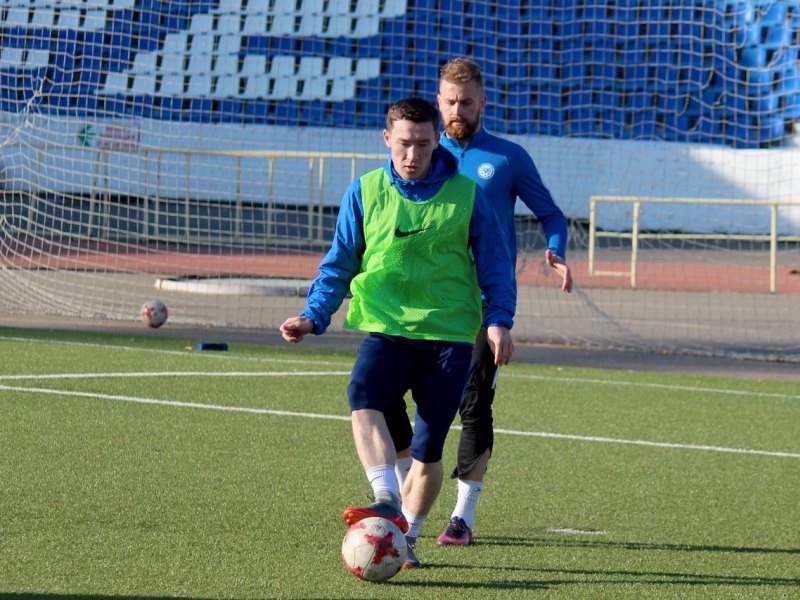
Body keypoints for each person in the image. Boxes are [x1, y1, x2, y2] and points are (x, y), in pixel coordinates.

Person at [279, 97, 516, 570]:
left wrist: (498, 320)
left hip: (449, 337)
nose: (413, 154)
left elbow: (495, 264)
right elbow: (339, 263)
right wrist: (313, 316)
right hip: (386, 330)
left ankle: (406, 537)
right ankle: (386, 498)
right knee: (362, 394)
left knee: (427, 452)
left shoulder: (468, 195)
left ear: (437, 141)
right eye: (404, 143)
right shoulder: (364, 191)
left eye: (423, 144)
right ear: (387, 139)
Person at [384, 58, 573, 548]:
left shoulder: (507, 158)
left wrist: (556, 249)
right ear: (438, 100)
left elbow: (551, 214)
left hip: (484, 301)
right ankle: (407, 487)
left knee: (473, 403)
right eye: (449, 101)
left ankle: (461, 516)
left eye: (466, 102)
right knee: (386, 393)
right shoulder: (422, 153)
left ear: (482, 102)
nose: (457, 110)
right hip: (423, 298)